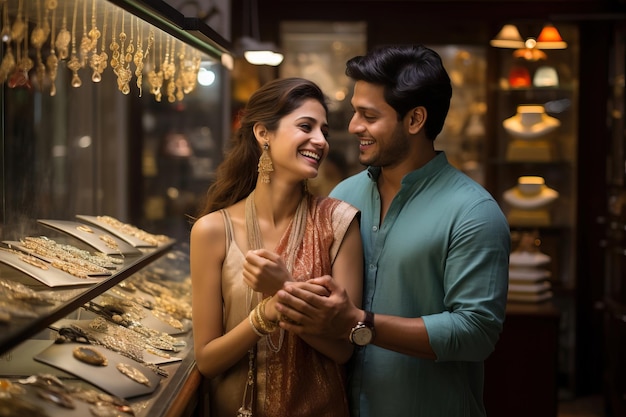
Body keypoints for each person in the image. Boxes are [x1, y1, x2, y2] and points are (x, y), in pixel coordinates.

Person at [274, 45, 511, 416]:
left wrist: (360, 323)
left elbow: (476, 333)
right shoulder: (343, 196)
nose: (353, 127)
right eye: (355, 112)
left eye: (368, 115)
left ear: (415, 120)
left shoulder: (473, 212)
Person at [189, 77, 363, 417]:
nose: (320, 140)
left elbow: (344, 349)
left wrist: (282, 291)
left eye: (324, 131)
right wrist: (264, 315)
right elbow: (207, 360)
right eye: (306, 126)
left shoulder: (339, 223)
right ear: (262, 134)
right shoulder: (212, 230)